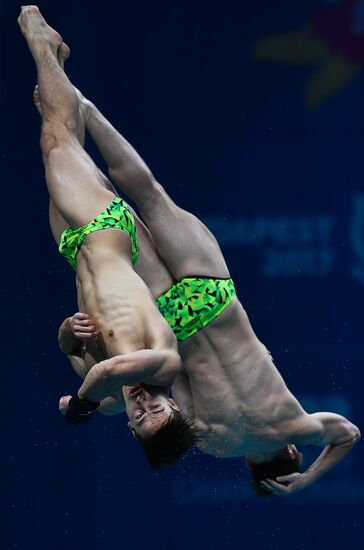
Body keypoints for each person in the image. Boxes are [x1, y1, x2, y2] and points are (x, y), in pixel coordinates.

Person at [59, 58, 361, 495]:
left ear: (292, 452)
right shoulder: (215, 444)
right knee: (117, 217)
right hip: (172, 317)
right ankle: (68, 133)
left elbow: (349, 434)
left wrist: (310, 479)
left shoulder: (292, 422)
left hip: (212, 296)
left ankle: (86, 108)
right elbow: (146, 393)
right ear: (251, 465)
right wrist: (86, 401)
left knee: (149, 191)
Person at [18, 6, 200, 464]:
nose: (141, 405)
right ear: (172, 401)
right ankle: (38, 37)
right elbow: (111, 368)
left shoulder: (114, 396)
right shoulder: (164, 362)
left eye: (138, 418)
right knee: (55, 142)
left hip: (74, 247)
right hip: (105, 230)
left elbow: (75, 353)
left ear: (129, 427)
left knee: (61, 144)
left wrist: (67, 332)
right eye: (154, 407)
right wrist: (81, 404)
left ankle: (55, 60)